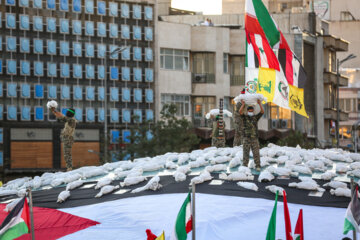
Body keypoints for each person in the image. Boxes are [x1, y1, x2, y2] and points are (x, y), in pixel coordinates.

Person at [240, 99, 264, 171]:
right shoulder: (245, 117)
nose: (250, 112)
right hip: (246, 138)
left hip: (254, 138)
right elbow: (240, 112)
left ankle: (258, 166)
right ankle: (245, 166)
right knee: (245, 153)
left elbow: (262, 112)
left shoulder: (255, 118)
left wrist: (259, 104)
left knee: (256, 153)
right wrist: (243, 104)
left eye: (251, 111)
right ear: (247, 111)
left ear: (253, 111)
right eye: (249, 111)